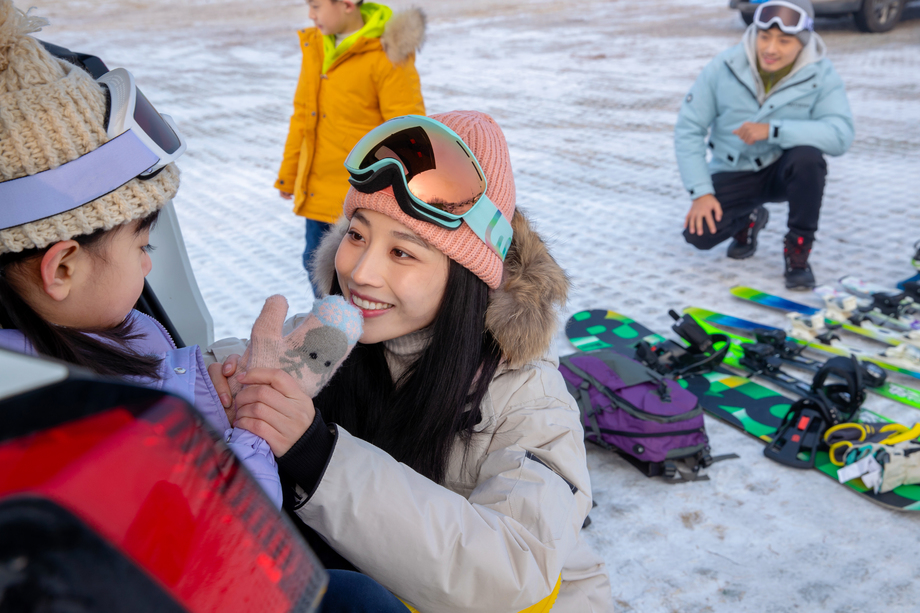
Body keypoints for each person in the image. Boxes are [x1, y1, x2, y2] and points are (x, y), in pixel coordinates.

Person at [211, 112, 613, 612]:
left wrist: (318, 454)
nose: (361, 272)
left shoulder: (530, 399)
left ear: (466, 274)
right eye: (357, 236)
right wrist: (221, 384)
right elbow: (250, 358)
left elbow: (513, 567)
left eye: (403, 253)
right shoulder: (335, 337)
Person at [0, 0, 283, 508]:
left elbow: (154, 374)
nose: (150, 264)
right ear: (63, 267)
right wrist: (252, 433)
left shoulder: (105, 330)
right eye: (142, 244)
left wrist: (202, 387)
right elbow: (217, 523)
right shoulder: (52, 414)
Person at [674, 0, 854, 290]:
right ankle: (750, 217)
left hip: (783, 170)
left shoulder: (821, 74)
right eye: (764, 36)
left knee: (808, 158)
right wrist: (701, 192)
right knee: (699, 236)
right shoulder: (724, 67)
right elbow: (688, 129)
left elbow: (841, 134)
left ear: (803, 42)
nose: (771, 49)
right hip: (735, 169)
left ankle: (798, 252)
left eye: (784, 40)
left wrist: (773, 131)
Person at [276, 0, 426, 297]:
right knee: (313, 261)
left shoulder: (386, 53)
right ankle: (332, 327)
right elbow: (303, 115)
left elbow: (406, 130)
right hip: (318, 189)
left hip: (360, 195)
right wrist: (290, 173)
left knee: (356, 270)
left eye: (316, 6)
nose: (310, 14)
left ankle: (356, 333)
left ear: (346, 4)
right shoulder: (317, 46)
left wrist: (407, 191)